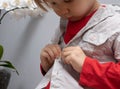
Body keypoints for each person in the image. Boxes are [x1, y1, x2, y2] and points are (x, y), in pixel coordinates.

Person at [34, 0, 120, 89]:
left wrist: (86, 66)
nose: (62, 11)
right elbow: (60, 74)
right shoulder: (64, 24)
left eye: (68, 1)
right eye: (54, 3)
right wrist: (47, 64)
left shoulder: (115, 24)